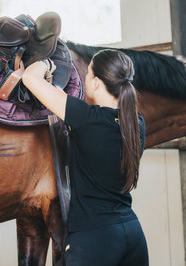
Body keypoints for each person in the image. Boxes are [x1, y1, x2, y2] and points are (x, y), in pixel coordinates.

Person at [22, 49, 148, 266]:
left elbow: (29, 78)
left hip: (94, 238)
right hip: (132, 232)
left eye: (88, 74)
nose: (86, 78)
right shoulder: (137, 123)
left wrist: (46, 63)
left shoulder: (85, 118)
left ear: (97, 82)